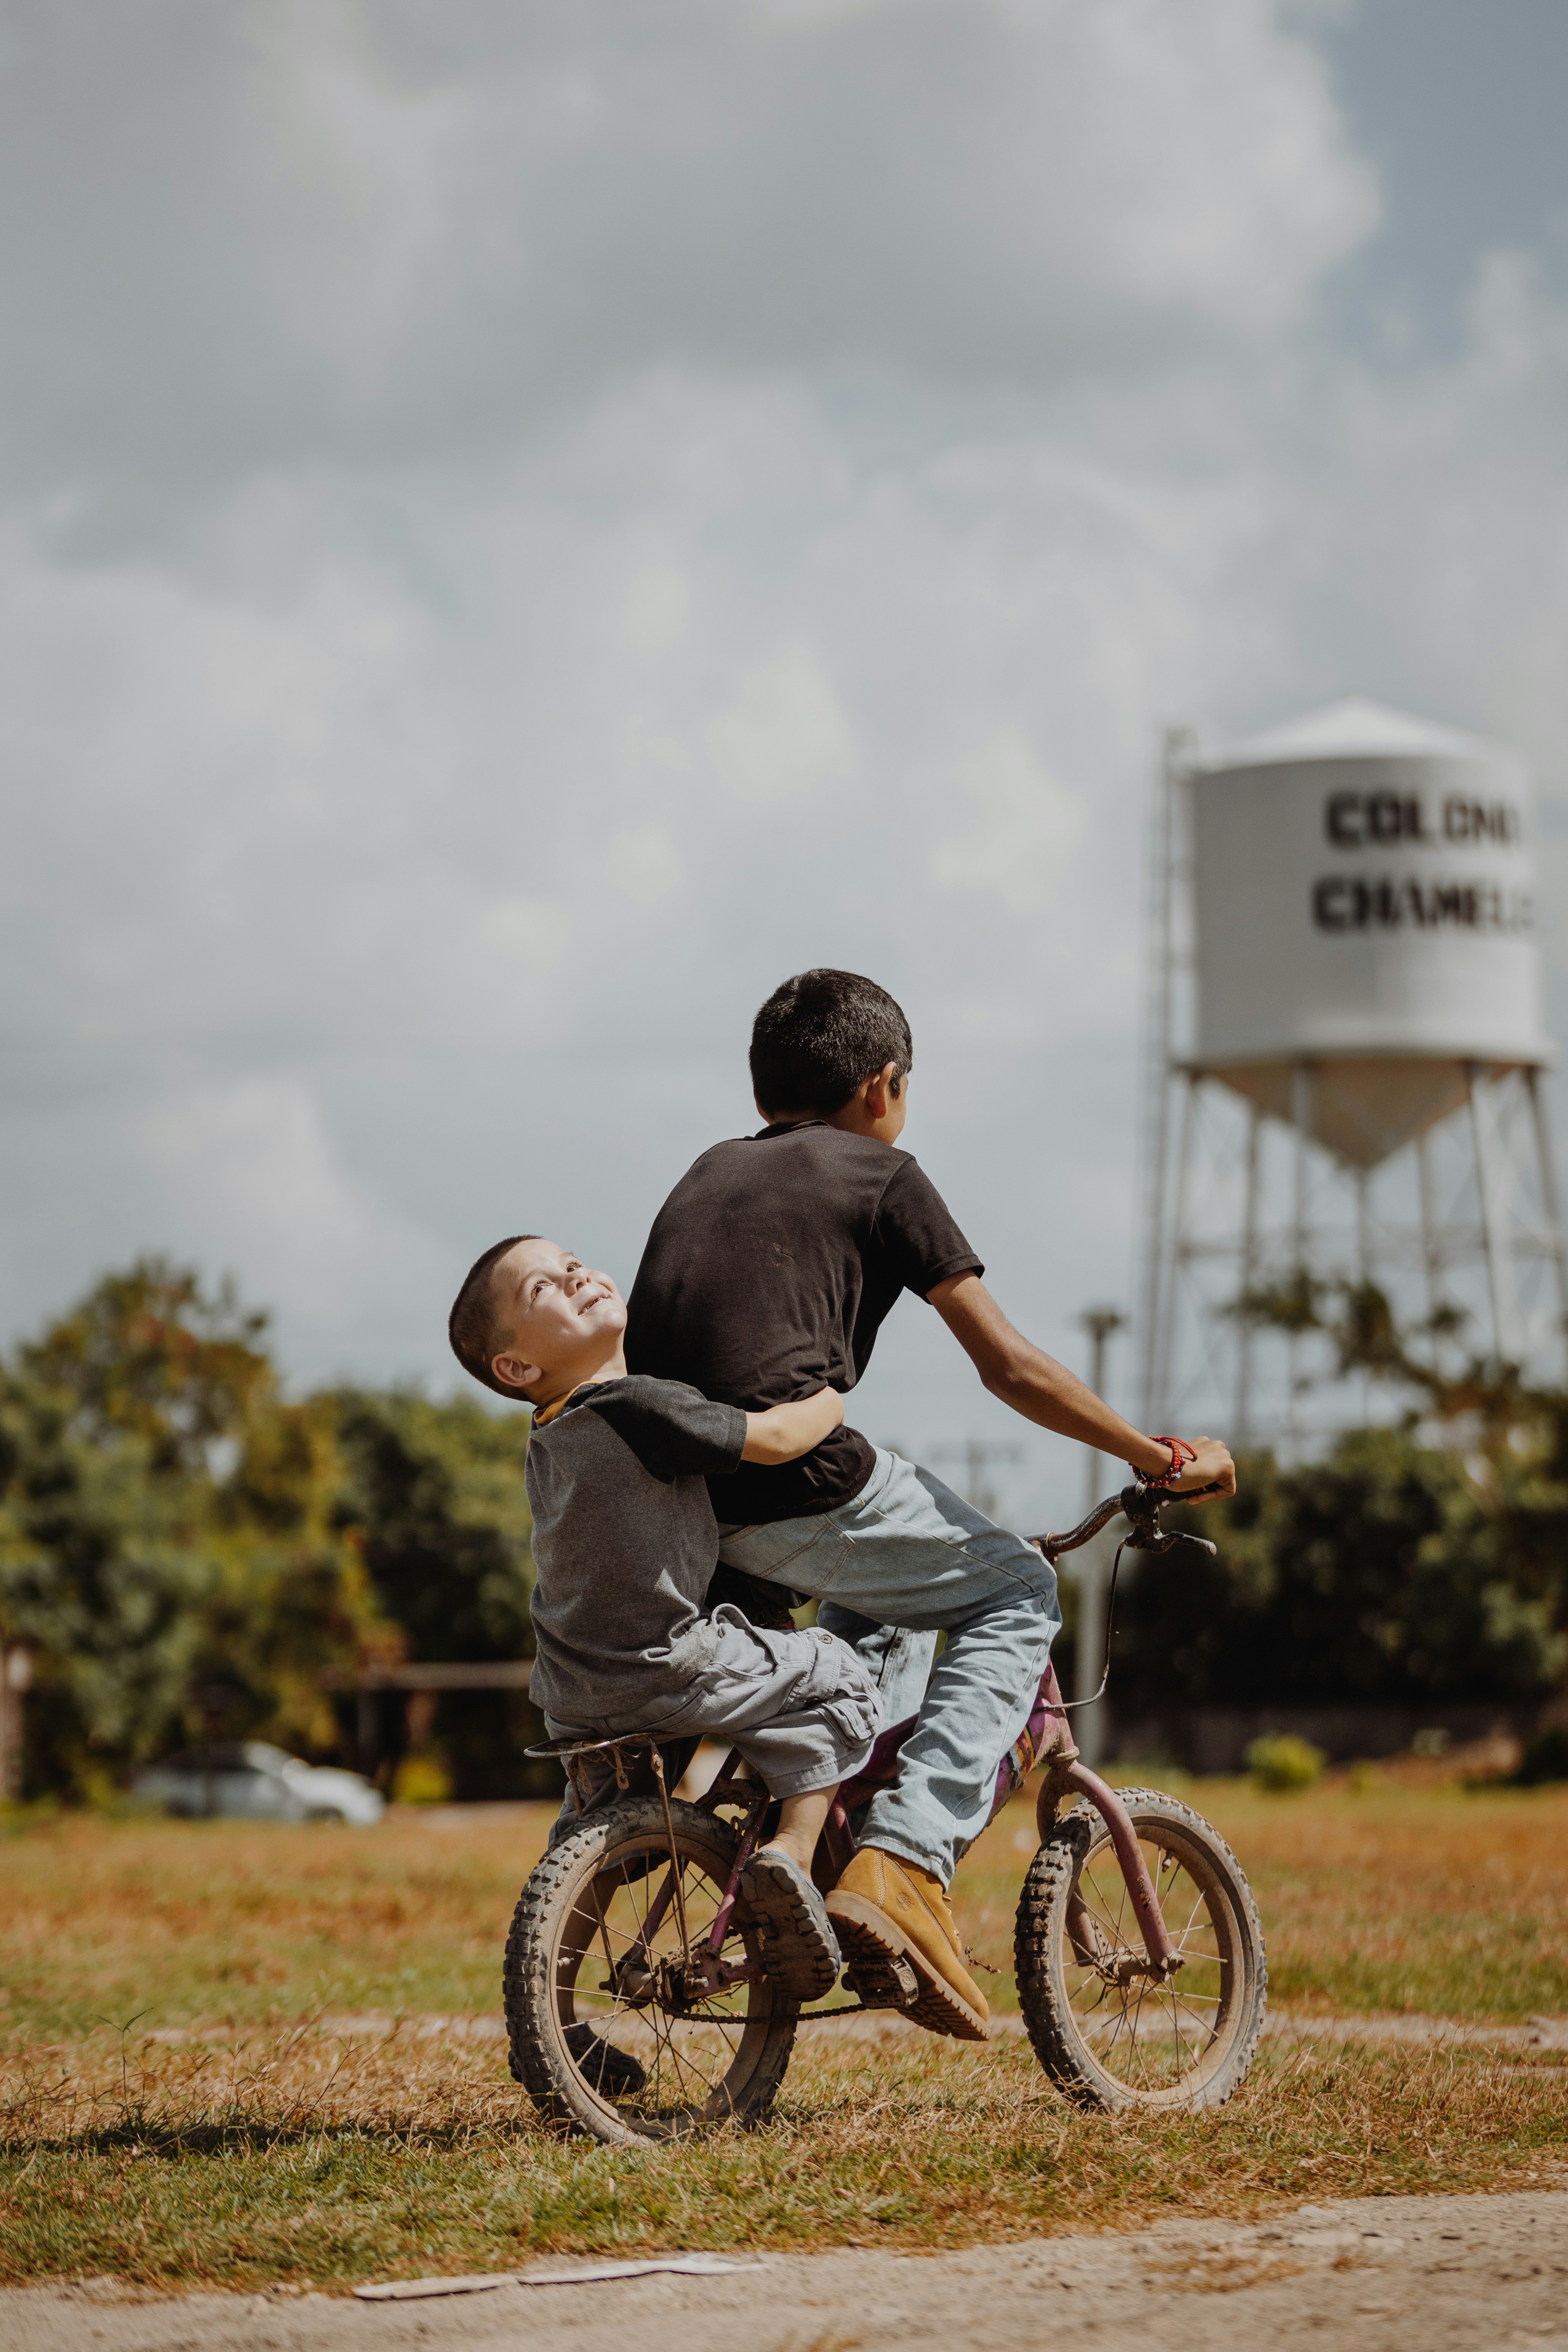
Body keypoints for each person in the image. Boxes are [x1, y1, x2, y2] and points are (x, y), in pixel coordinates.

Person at [624, 967, 1235, 2044]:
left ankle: (819, 1836)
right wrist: (1155, 1455)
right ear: (884, 1084)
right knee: (1016, 1585)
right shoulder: (883, 1172)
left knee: (882, 1611)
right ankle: (903, 1859)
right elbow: (1008, 1365)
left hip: (678, 1497)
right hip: (797, 1476)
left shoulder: (705, 1170)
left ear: (763, 1087)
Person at [447, 1232, 883, 2006]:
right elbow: (776, 1440)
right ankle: (790, 1851)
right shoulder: (641, 1405)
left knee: (594, 1841)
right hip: (669, 1662)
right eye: (543, 1288)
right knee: (839, 1672)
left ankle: (548, 2008)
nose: (575, 1275)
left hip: (576, 1688)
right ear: (516, 1368)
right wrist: (832, 1395)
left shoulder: (550, 1436)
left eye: (572, 1263)